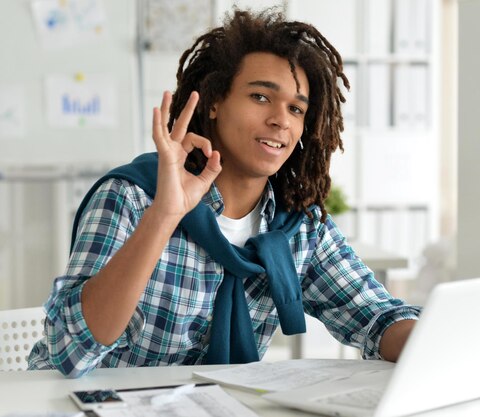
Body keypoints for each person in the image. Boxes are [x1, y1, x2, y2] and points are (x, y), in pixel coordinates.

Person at [28, 8, 421, 378]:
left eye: (296, 109)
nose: (280, 120)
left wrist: (436, 341)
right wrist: (164, 215)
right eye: (260, 97)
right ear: (215, 102)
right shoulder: (131, 196)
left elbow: (376, 315)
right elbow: (69, 353)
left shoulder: (298, 225)